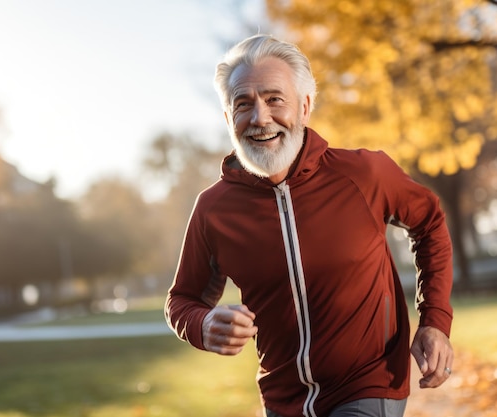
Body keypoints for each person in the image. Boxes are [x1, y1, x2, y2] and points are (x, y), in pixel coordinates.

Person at [165, 34, 454, 417]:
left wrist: (434, 321)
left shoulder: (364, 174)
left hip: (369, 381)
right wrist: (202, 324)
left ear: (304, 106)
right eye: (243, 104)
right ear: (227, 119)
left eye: (274, 99)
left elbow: (429, 223)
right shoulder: (213, 210)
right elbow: (181, 300)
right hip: (282, 400)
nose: (260, 118)